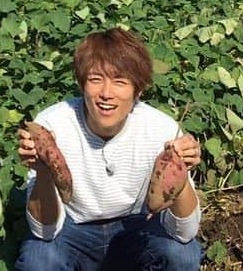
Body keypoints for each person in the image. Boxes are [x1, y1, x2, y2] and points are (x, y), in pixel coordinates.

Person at [15, 28, 203, 271]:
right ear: (82, 84)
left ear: (138, 90)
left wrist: (181, 172)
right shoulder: (53, 124)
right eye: (95, 79)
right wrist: (42, 171)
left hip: (137, 229)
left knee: (181, 255)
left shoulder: (160, 128)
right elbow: (45, 231)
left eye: (120, 82)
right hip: (72, 232)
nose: (106, 93)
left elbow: (185, 234)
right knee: (39, 260)